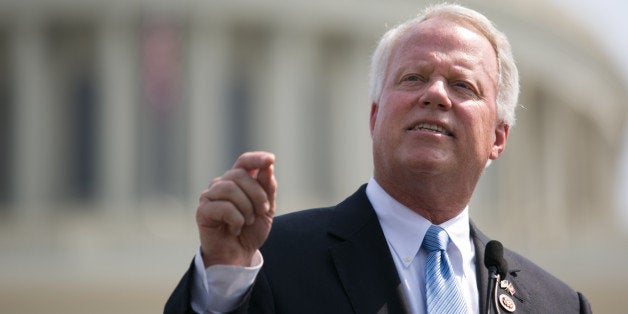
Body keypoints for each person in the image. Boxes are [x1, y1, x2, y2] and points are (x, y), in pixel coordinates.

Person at [165, 4, 591, 314]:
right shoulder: (268, 263)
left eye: (463, 86)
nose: (435, 94)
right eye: (413, 78)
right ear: (375, 116)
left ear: (499, 137)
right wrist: (222, 287)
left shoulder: (557, 305)